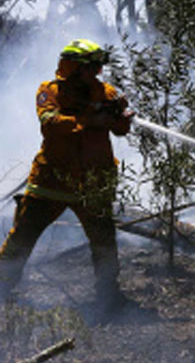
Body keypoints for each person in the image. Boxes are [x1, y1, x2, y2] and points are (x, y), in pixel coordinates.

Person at [0, 39, 134, 312]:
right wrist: (87, 120)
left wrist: (122, 116)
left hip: (93, 184)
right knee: (22, 236)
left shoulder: (105, 92)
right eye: (92, 66)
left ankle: (109, 298)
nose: (97, 72)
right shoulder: (49, 92)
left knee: (104, 242)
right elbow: (50, 123)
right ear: (73, 68)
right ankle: (2, 286)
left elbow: (120, 129)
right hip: (51, 181)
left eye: (98, 66)